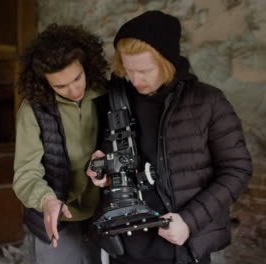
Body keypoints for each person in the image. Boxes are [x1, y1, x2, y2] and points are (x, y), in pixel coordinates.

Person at [86, 11, 252, 264]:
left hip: (180, 245)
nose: (135, 79)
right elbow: (104, 152)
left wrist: (189, 220)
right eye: (128, 70)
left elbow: (237, 169)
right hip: (123, 245)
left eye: (144, 70)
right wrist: (101, 167)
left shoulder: (208, 102)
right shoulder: (115, 99)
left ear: (167, 62)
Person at [13, 24, 108, 264]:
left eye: (77, 78)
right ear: (45, 82)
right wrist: (47, 200)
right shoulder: (32, 108)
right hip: (56, 216)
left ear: (86, 66)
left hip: (104, 212)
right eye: (60, 86)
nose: (74, 90)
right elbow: (26, 173)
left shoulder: (109, 94)